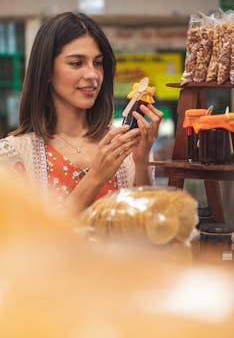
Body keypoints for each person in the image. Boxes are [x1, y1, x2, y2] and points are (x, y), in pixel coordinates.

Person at [0, 12, 162, 217]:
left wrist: (142, 162)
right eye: (76, 63)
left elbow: (148, 226)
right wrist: (96, 176)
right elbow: (26, 240)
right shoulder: (12, 155)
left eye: (98, 63)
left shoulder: (124, 147)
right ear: (47, 71)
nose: (92, 75)